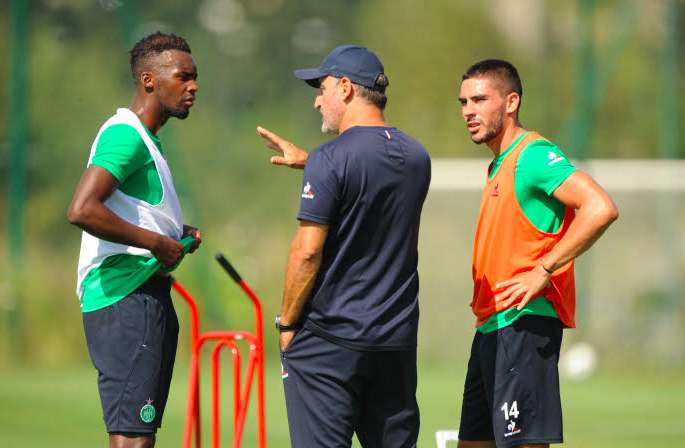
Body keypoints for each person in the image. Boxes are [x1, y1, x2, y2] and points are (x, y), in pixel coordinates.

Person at [257, 45, 431, 448]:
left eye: (322, 87)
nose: (317, 99)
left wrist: (286, 324)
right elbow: (372, 179)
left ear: (347, 88)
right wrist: (313, 161)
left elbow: (307, 252)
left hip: (331, 342)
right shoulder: (418, 157)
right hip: (395, 341)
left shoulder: (331, 159)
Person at [455, 59, 619, 448]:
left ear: (511, 102)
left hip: (524, 323)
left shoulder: (531, 155)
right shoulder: (500, 162)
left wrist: (543, 270)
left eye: (479, 99)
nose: (468, 111)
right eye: (463, 102)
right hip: (492, 325)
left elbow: (600, 207)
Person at [67, 32, 201, 448]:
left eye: (196, 77)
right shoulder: (125, 134)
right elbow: (82, 209)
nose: (193, 86)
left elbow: (129, 211)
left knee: (140, 434)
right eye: (183, 76)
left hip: (143, 297)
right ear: (148, 80)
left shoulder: (148, 141)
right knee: (132, 438)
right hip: (127, 300)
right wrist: (156, 244)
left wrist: (174, 235)